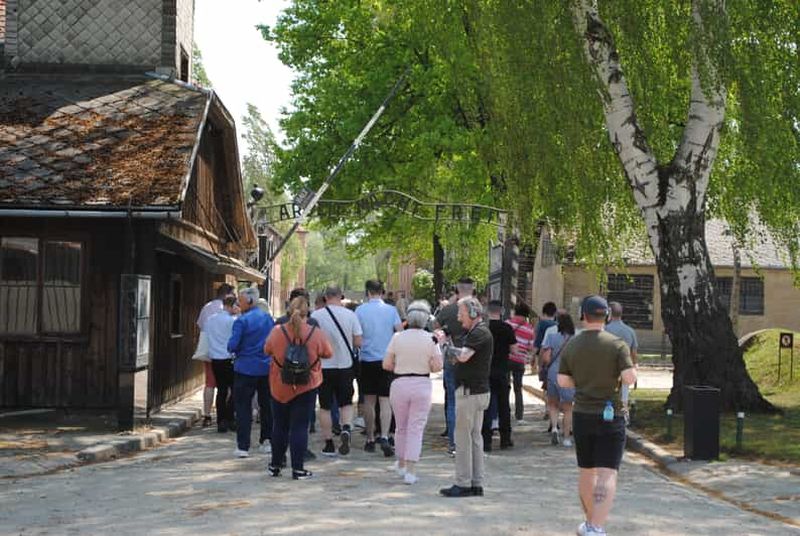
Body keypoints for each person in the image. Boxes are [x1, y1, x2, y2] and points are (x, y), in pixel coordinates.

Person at [557, 296, 637, 536]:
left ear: (583, 315)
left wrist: (582, 382)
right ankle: (597, 526)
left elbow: (563, 381)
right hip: (611, 415)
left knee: (586, 470)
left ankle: (590, 522)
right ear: (607, 316)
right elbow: (629, 378)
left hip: (582, 413)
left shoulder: (572, 345)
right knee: (607, 472)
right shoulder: (617, 345)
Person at [263, 296, 333, 480]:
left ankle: (275, 465)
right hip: (307, 384)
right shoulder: (315, 333)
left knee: (279, 426)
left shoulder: (277, 331)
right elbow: (328, 353)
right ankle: (298, 468)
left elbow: (266, 350)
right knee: (300, 427)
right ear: (307, 312)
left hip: (280, 385)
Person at [382, 300, 443, 485]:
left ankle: (401, 463)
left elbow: (386, 364)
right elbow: (437, 366)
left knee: (401, 427)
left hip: (400, 383)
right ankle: (411, 470)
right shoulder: (431, 339)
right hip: (421, 384)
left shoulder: (397, 337)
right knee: (416, 428)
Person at [439, 296, 493, 498]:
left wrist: (445, 346)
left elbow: (463, 356)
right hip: (476, 392)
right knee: (474, 438)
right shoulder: (477, 332)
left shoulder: (479, 333)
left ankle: (463, 482)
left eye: (461, 314)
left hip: (470, 392)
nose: (460, 319)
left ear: (472, 313)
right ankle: (476, 482)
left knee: (463, 439)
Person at [310, 285, 362, 456]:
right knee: (346, 402)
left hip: (324, 366)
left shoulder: (316, 316)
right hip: (345, 365)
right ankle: (346, 427)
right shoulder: (350, 315)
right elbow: (358, 342)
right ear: (341, 296)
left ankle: (329, 442)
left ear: (325, 297)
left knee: (324, 406)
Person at [356, 279, 403, 456]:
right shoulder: (391, 311)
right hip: (387, 360)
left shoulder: (360, 310)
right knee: (385, 401)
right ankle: (384, 435)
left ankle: (369, 437)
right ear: (382, 291)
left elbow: (356, 333)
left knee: (369, 401)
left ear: (368, 292)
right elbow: (399, 331)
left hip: (367, 359)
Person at [228, 287, 275, 458]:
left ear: (249, 301)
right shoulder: (268, 319)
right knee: (267, 405)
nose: (238, 304)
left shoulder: (241, 321)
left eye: (240, 301)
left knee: (243, 407)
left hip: (245, 368)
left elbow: (232, 345)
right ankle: (266, 440)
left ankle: (243, 446)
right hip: (265, 367)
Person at [434, 277, 475, 457]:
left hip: (452, 359)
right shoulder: (479, 310)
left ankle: (453, 442)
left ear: (457, 290)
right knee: (472, 402)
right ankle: (471, 441)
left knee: (452, 400)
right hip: (474, 360)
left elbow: (435, 327)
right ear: (473, 289)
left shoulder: (449, 310)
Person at [196, 283, 234, 427]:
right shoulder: (231, 314)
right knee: (228, 387)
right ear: (228, 296)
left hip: (210, 352)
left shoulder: (207, 307)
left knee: (210, 384)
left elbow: (201, 326)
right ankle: (226, 416)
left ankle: (207, 415)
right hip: (227, 355)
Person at [481, 300, 517, 451]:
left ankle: (486, 440)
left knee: (487, 406)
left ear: (487, 311)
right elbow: (514, 350)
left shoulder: (484, 329)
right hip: (502, 370)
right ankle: (505, 439)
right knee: (504, 405)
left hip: (486, 371)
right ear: (501, 311)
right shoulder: (507, 328)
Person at [541, 311, 577, 446]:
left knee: (553, 404)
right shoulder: (576, 339)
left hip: (553, 373)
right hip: (569, 375)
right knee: (568, 408)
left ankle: (555, 428)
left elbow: (546, 358)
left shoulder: (552, 337)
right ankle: (567, 438)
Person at [205, 296, 238, 433]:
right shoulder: (232, 321)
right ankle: (230, 417)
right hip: (229, 358)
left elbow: (206, 336)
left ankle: (221, 421)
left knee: (221, 390)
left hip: (215, 358)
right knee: (234, 389)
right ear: (231, 305)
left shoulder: (210, 320)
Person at [604, 301, 639, 423]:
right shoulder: (630, 331)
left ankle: (608, 414)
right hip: (625, 366)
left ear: (609, 313)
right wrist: (634, 366)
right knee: (624, 392)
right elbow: (634, 352)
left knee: (608, 392)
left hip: (608, 367)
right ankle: (624, 416)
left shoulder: (605, 330)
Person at [506, 302, 535, 424]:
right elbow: (531, 348)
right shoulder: (530, 329)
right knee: (518, 389)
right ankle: (519, 416)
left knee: (504, 387)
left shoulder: (507, 324)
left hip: (506, 359)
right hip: (519, 361)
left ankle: (504, 413)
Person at [534, 302, 558, 392]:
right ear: (555, 313)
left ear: (543, 312)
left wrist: (533, 357)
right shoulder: (557, 325)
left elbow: (538, 343)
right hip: (556, 357)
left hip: (544, 357)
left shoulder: (542, 324)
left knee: (546, 385)